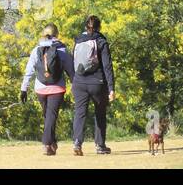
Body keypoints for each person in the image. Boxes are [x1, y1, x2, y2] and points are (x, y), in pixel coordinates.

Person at [19, 23, 73, 155]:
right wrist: (76, 85)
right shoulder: (62, 50)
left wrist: (23, 89)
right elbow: (71, 71)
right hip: (57, 87)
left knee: (48, 116)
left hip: (40, 88)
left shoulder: (36, 49)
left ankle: (51, 143)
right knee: (51, 116)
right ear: (57, 34)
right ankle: (46, 143)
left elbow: (29, 71)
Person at [71, 15, 116, 155]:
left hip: (79, 82)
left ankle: (77, 143)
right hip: (97, 83)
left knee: (80, 113)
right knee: (100, 113)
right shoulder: (101, 41)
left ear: (86, 26)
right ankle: (100, 146)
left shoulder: (78, 40)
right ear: (99, 27)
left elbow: (75, 62)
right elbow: (107, 66)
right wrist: (111, 88)